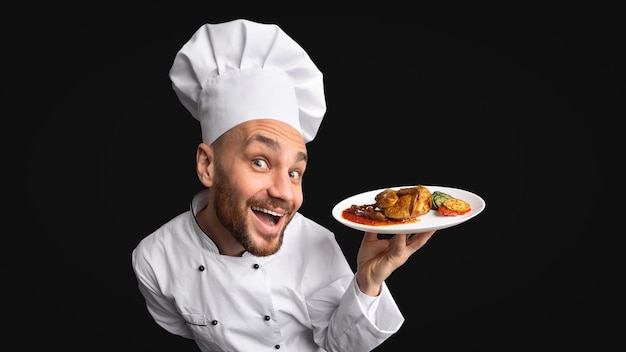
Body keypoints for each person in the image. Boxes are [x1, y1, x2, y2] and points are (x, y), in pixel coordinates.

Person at [131, 19, 436, 352]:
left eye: (295, 172)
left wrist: (367, 282)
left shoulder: (315, 244)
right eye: (260, 162)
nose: (285, 192)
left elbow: (340, 345)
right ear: (208, 166)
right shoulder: (154, 259)